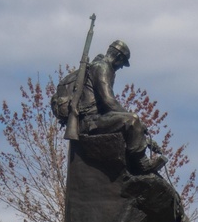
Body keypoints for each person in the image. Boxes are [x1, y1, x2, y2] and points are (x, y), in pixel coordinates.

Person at [57, 39, 165, 174]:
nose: (120, 68)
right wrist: (137, 123)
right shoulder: (102, 67)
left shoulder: (97, 66)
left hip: (94, 119)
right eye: (122, 64)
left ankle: (133, 162)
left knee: (130, 122)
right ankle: (141, 164)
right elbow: (109, 102)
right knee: (131, 121)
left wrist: (141, 135)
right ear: (119, 57)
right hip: (89, 122)